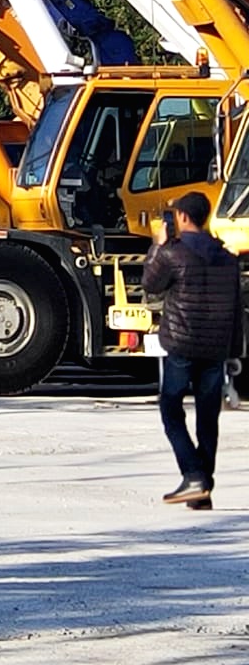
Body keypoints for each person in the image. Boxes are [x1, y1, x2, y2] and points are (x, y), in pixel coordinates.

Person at [143, 191, 243, 510]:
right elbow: (237, 307)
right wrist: (235, 350)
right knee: (207, 417)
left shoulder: (173, 253)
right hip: (215, 347)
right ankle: (203, 491)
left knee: (171, 409)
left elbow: (150, 284)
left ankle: (194, 474)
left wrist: (158, 244)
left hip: (182, 344)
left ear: (183, 217)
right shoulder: (227, 258)